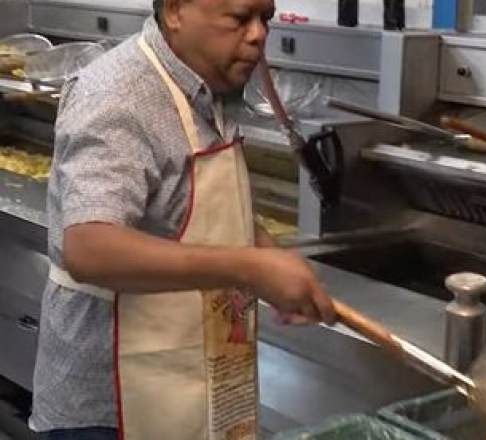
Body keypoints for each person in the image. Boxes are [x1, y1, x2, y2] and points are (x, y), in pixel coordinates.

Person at [29, 0, 336, 439]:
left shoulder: (212, 85)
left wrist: (269, 256)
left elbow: (193, 203)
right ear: (175, 10)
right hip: (109, 411)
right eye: (240, 18)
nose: (258, 34)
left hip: (196, 381)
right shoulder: (117, 95)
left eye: (265, 18)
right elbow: (90, 247)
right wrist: (250, 267)